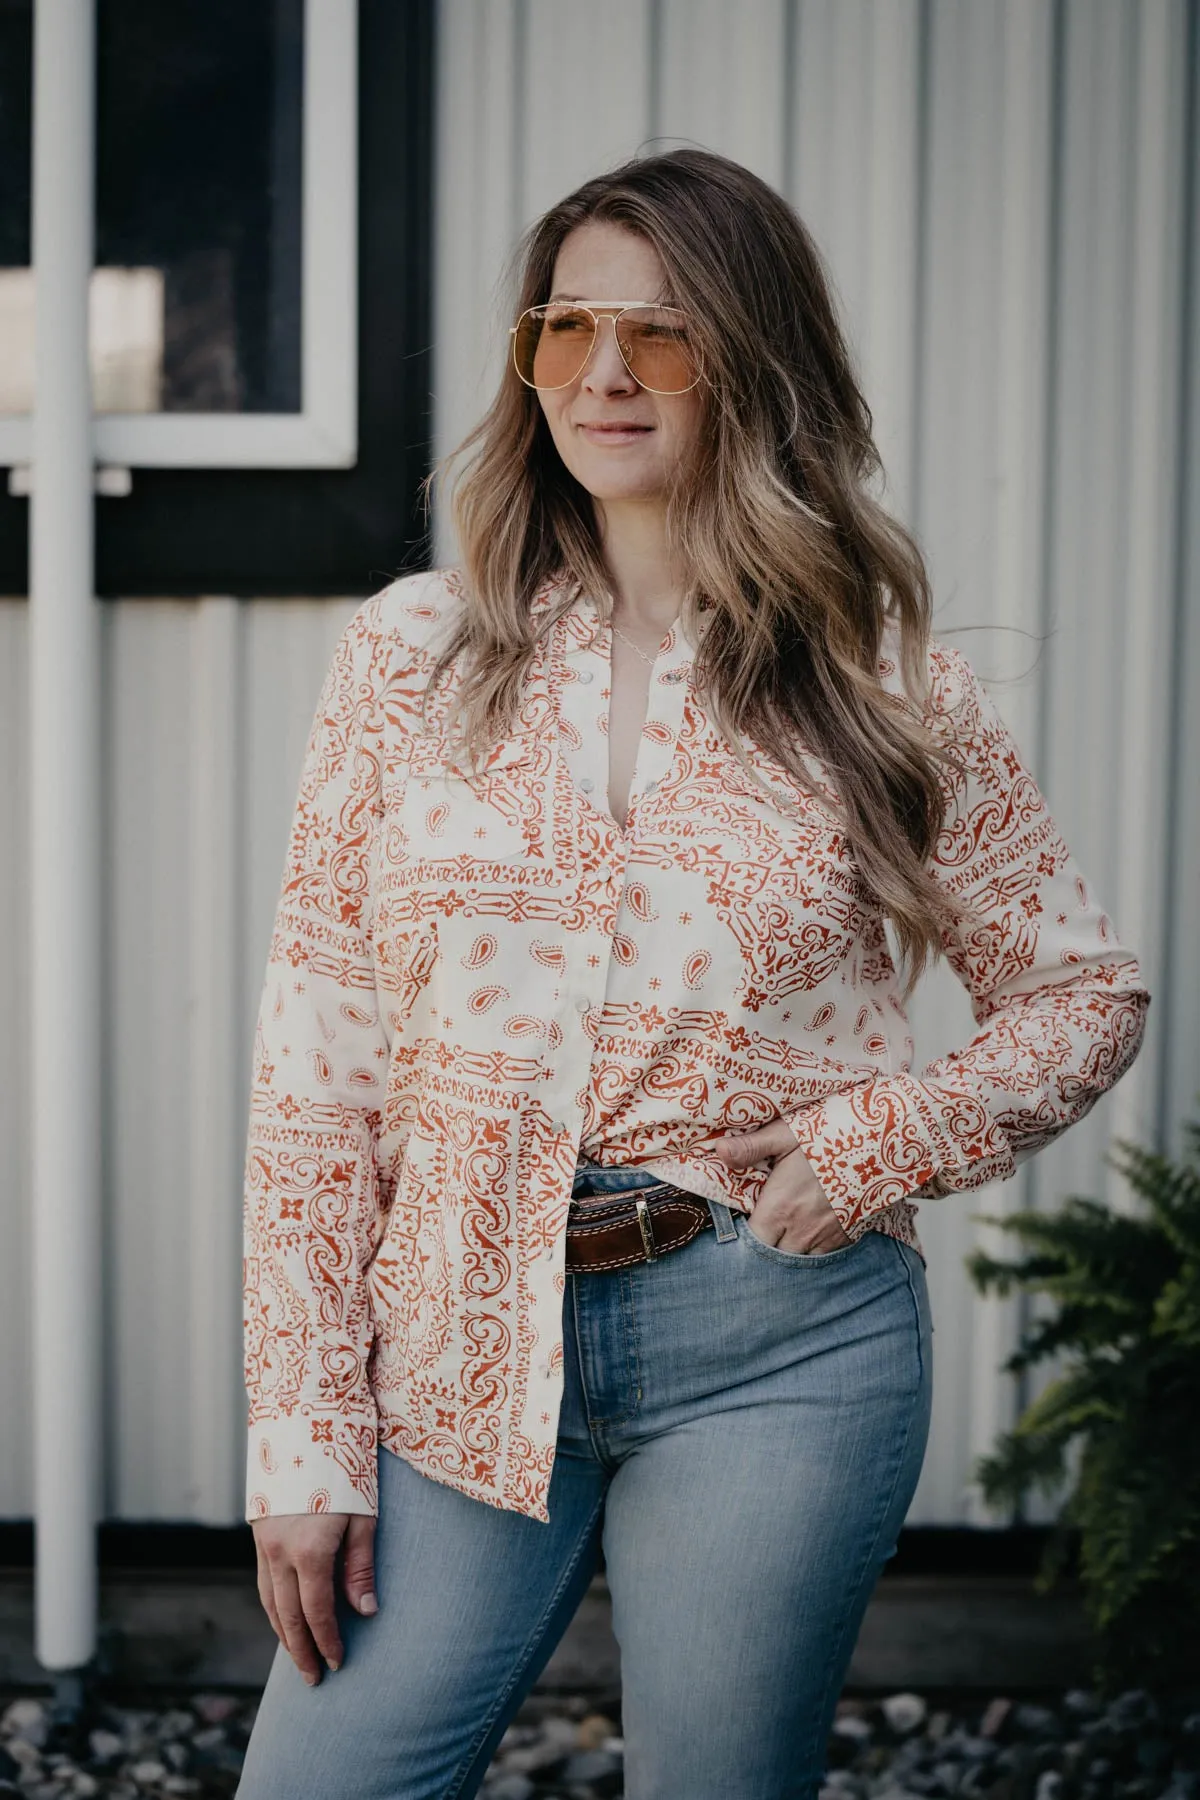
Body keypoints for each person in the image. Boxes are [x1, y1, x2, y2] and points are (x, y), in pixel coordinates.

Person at [235, 147, 1149, 1800]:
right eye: (566, 328)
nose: (602, 374)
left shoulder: (878, 685)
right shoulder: (407, 654)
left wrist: (880, 1145)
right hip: (449, 1337)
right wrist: (301, 1437)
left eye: (659, 335)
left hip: (778, 1346)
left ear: (755, 359)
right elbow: (320, 1068)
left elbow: (1084, 992)